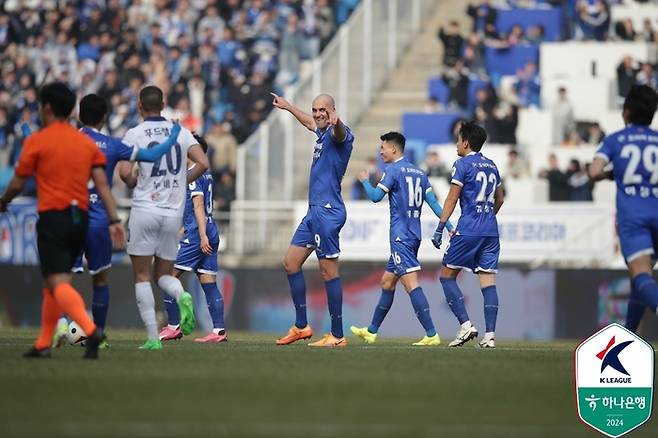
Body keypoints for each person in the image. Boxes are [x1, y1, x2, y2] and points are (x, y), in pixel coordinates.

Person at [0, 82, 125, 359]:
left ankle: (91, 331)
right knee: (52, 282)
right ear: (71, 110)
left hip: (53, 217)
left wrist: (4, 202)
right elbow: (103, 184)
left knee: (56, 282)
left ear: (46, 108)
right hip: (80, 218)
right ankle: (43, 344)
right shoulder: (84, 142)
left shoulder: (37, 141)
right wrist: (115, 219)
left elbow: (18, 182)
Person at [67, 93, 181, 346]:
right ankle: (98, 335)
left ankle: (62, 324)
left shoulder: (68, 140)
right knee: (101, 279)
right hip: (99, 220)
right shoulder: (112, 144)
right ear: (105, 117)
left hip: (69, 217)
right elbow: (151, 157)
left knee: (62, 278)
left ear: (78, 116)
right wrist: (173, 137)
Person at [117, 85, 209, 350]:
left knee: (142, 275)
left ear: (139, 105)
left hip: (145, 210)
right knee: (165, 273)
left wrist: (134, 179)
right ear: (163, 103)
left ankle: (152, 338)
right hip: (172, 213)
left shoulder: (134, 133)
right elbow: (203, 162)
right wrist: (181, 181)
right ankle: (181, 295)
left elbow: (125, 172)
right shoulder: (179, 132)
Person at [349, 132, 454, 346]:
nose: (380, 151)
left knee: (411, 284)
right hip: (413, 235)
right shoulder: (420, 173)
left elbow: (376, 197)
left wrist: (365, 182)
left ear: (394, 149)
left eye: (383, 147)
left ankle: (431, 334)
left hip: (400, 236)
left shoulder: (393, 170)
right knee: (387, 282)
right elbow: (433, 203)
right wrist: (448, 225)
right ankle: (371, 331)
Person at [270, 92, 353, 347]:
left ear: (333, 111)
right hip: (313, 212)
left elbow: (339, 132)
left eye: (322, 110)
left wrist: (337, 122)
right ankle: (301, 325)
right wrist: (288, 107)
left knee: (329, 273)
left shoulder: (340, 133)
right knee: (291, 263)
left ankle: (337, 335)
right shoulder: (320, 132)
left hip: (328, 212)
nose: (317, 113)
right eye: (315, 109)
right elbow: (309, 122)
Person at [589, 85, 658, 333]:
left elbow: (594, 171)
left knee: (640, 273)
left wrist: (611, 174)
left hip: (634, 216)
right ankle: (630, 335)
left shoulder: (616, 139)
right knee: (642, 279)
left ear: (626, 112)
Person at [432, 121, 504, 348]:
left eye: (458, 139)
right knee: (488, 283)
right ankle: (490, 336)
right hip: (491, 231)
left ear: (465, 142)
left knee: (446, 276)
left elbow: (452, 198)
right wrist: (487, 217)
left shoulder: (462, 164)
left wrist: (440, 226)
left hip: (469, 229)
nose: (456, 144)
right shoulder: (492, 165)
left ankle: (466, 325)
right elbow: (500, 198)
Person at [160, 134, 227, 343]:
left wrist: (201, 235)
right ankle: (219, 331)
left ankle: (173, 326)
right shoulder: (206, 174)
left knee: (166, 277)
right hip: (208, 229)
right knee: (208, 282)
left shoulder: (193, 173)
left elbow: (198, 205)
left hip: (199, 233)